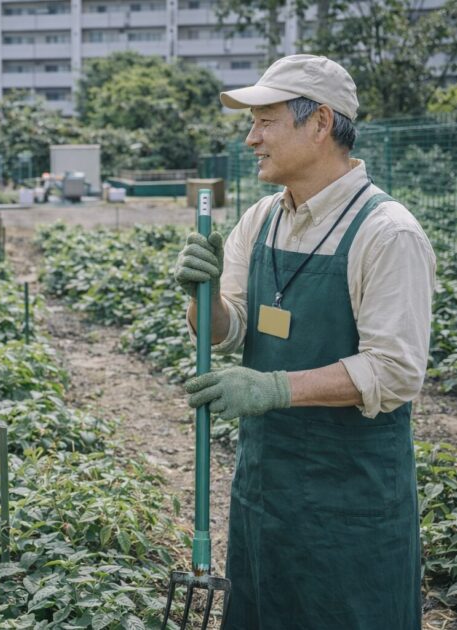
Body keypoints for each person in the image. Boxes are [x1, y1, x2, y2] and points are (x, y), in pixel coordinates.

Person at [174, 54, 435, 629]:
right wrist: (205, 298)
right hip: (265, 493)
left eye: (265, 121)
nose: (251, 138)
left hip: (352, 505)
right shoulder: (264, 217)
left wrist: (273, 386)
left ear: (319, 123)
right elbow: (231, 329)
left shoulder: (386, 233)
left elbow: (395, 371)